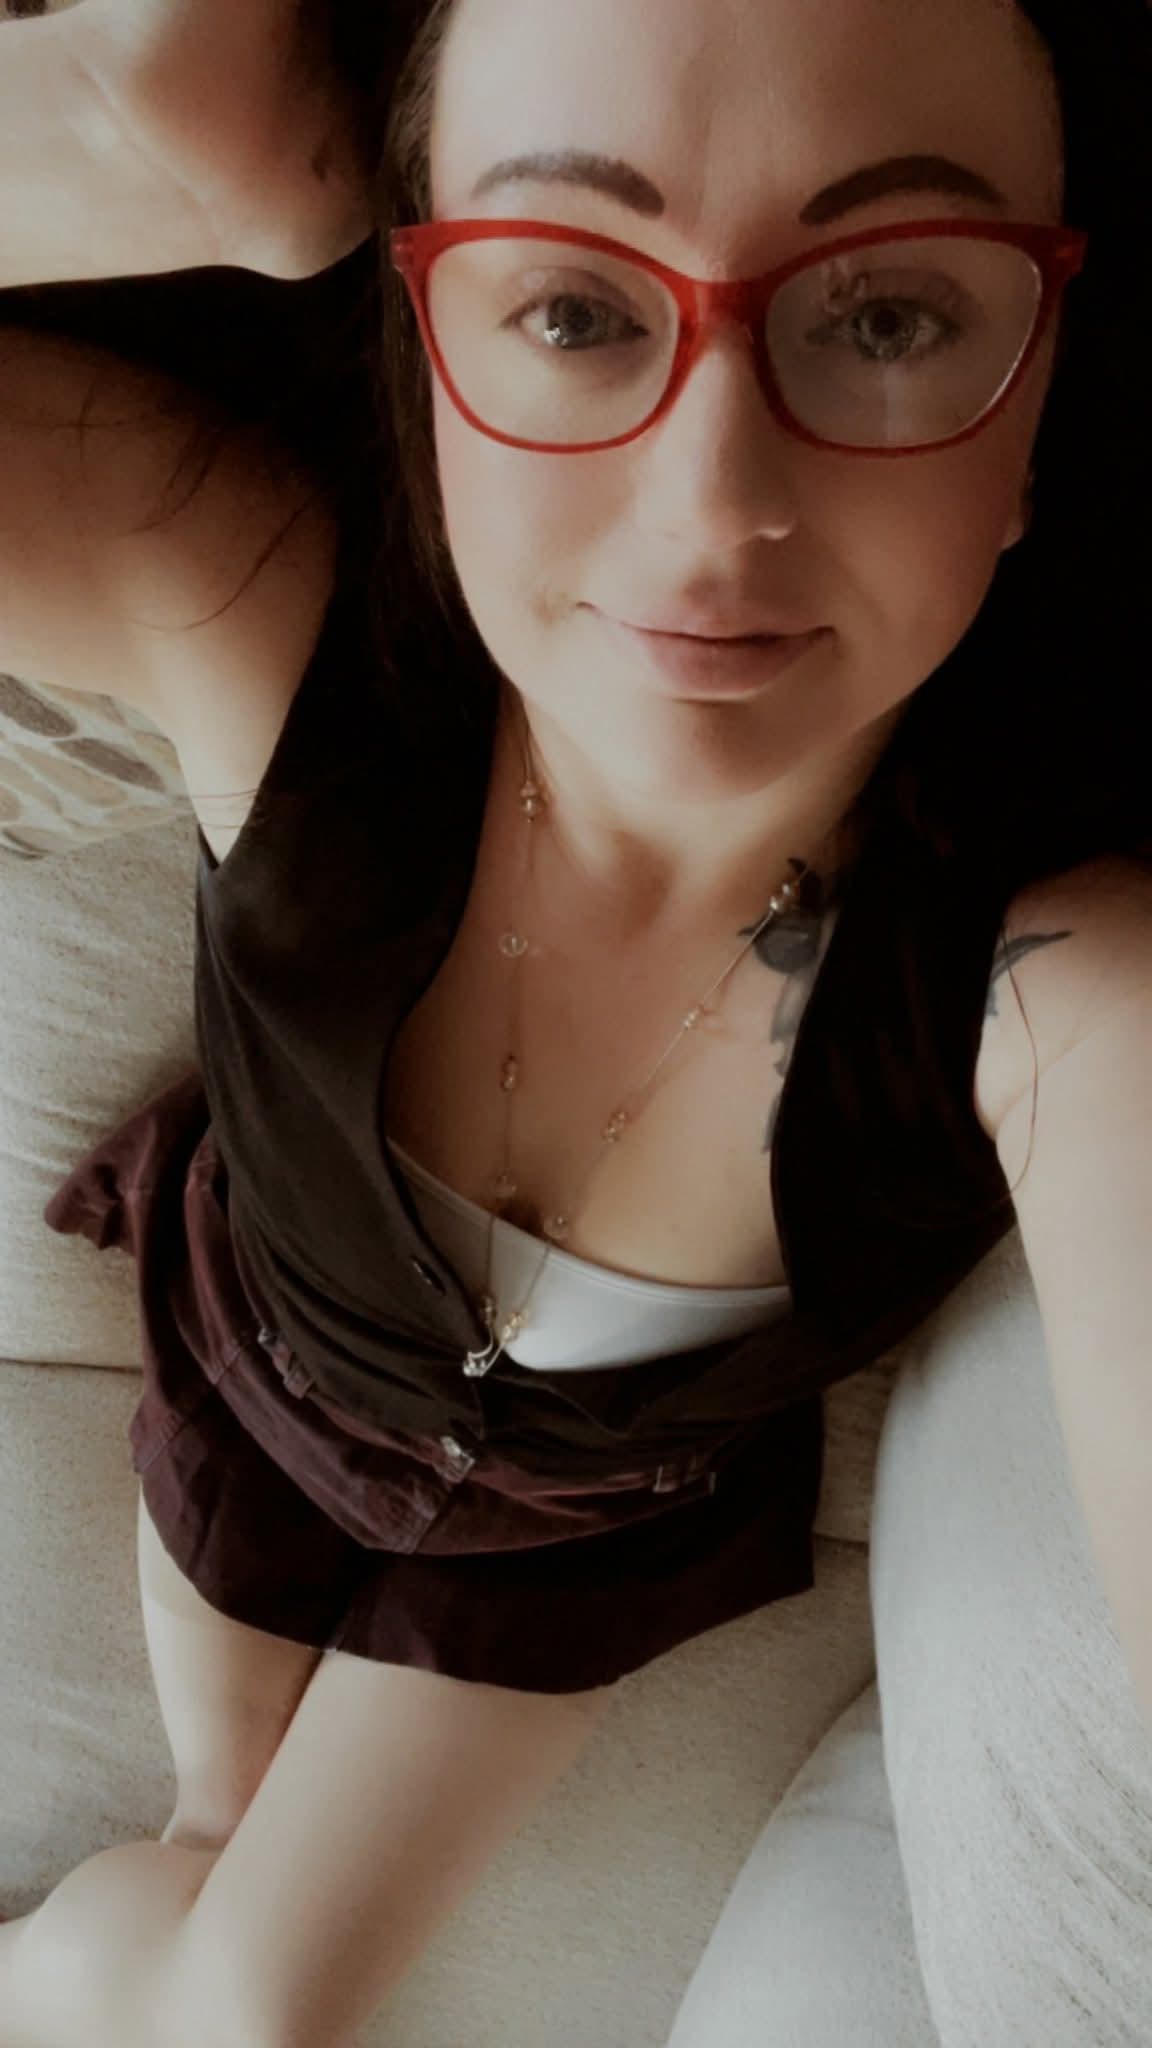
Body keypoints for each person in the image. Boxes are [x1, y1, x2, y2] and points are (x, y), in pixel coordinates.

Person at [0, 0, 1149, 2042]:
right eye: (572, 312)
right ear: (424, 337)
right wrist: (90, 151)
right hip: (261, 1380)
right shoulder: (249, 616)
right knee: (204, 1859)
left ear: (1041, 382)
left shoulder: (1066, 981)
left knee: (245, 2013)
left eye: (890, 317)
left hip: (569, 1551)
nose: (715, 504)